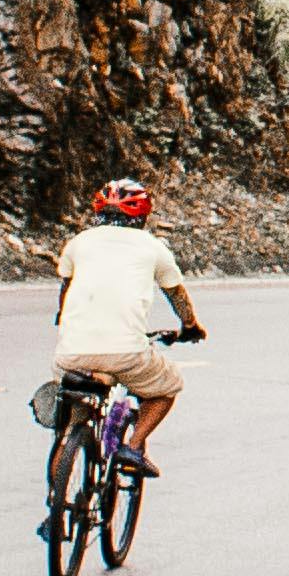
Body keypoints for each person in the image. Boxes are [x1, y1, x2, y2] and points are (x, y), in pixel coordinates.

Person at [53, 175, 206, 454]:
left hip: (70, 352)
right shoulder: (153, 247)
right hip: (126, 354)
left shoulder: (78, 242)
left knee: (71, 416)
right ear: (142, 215)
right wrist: (190, 325)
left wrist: (63, 318)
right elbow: (177, 295)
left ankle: (61, 467)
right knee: (168, 386)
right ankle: (134, 446)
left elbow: (65, 290)